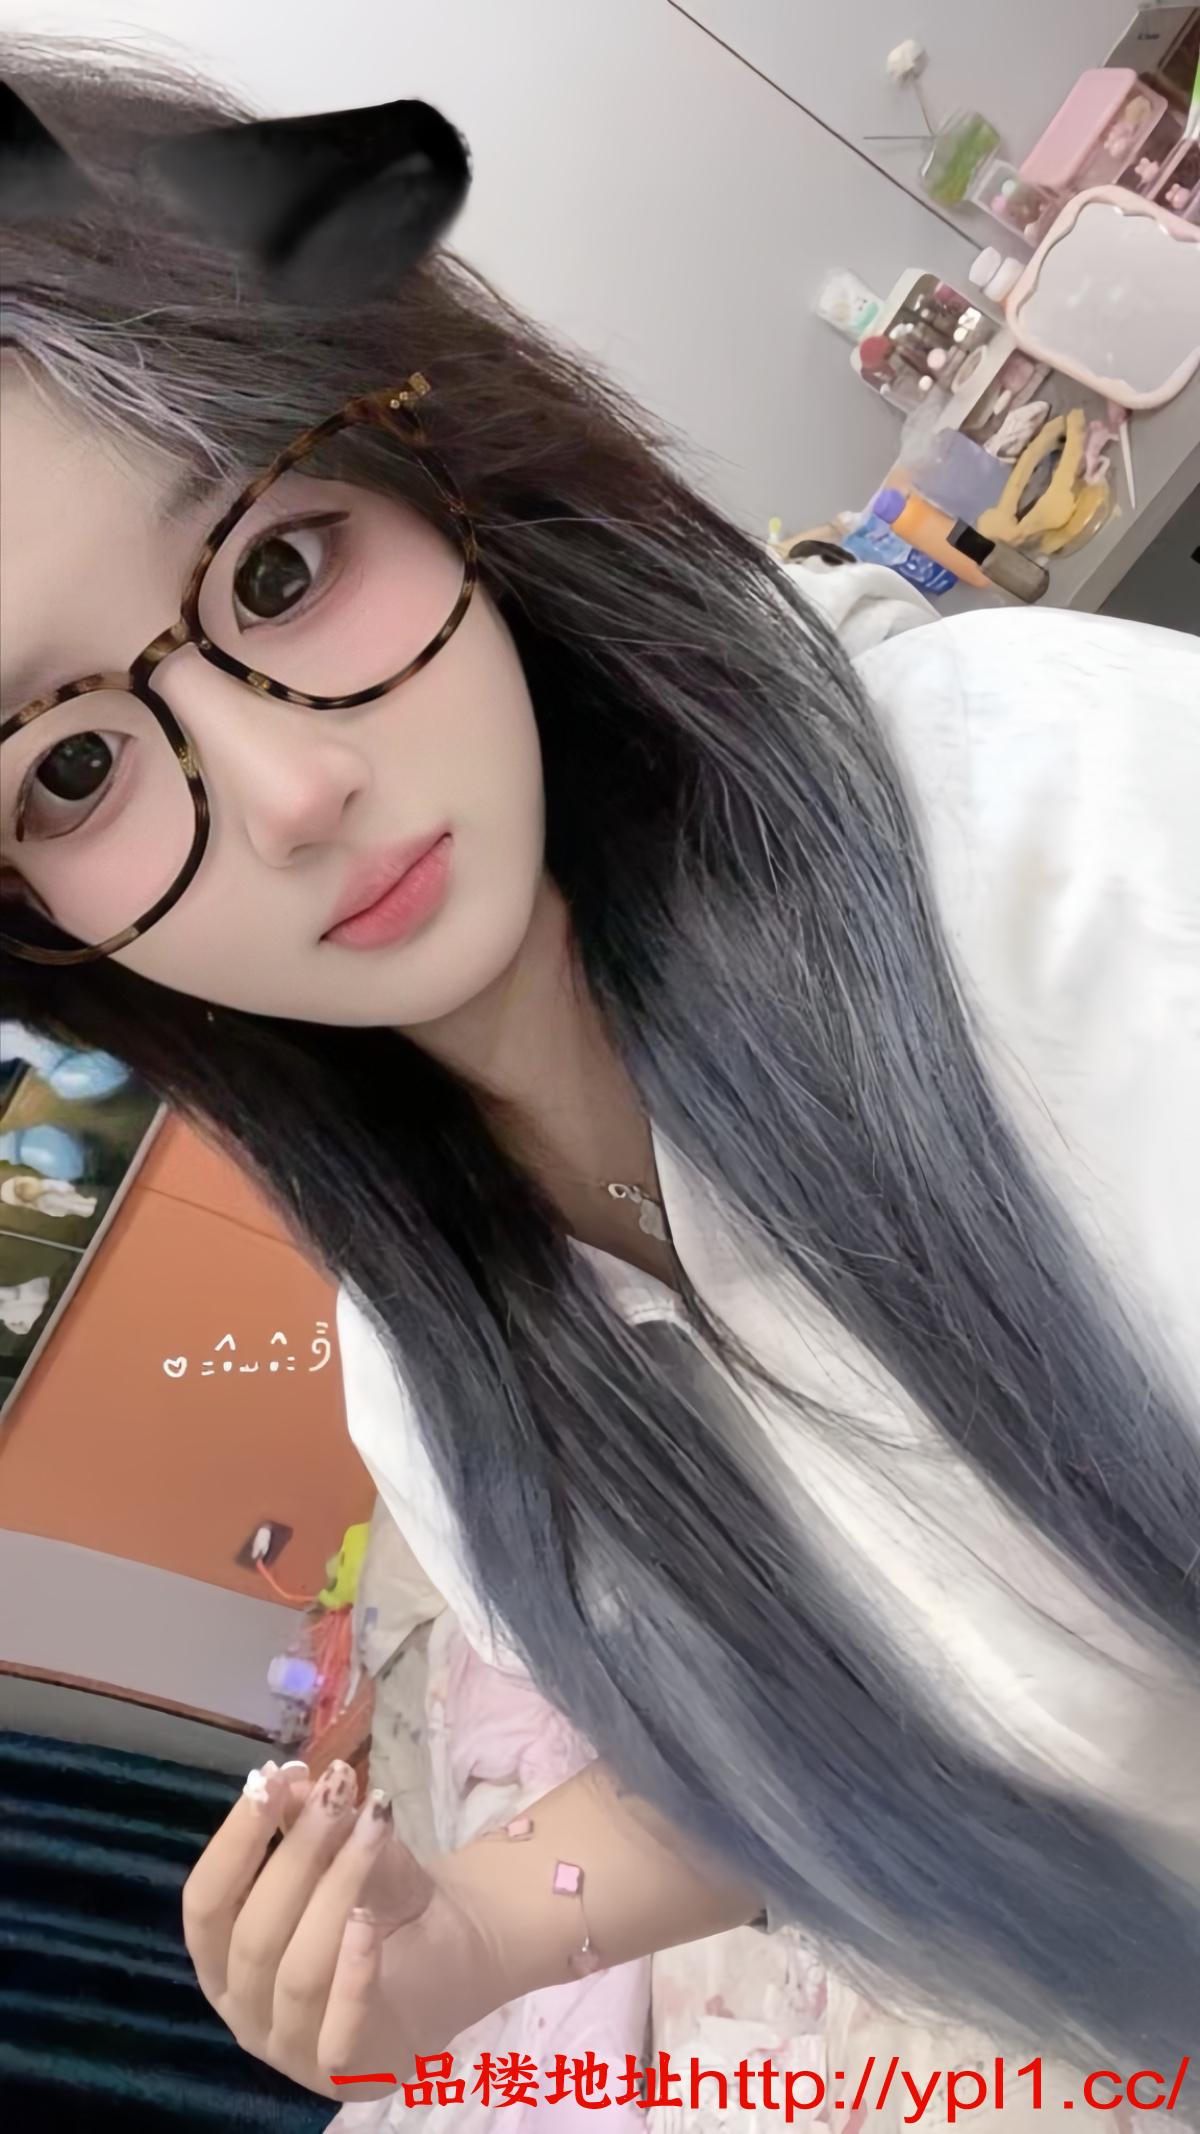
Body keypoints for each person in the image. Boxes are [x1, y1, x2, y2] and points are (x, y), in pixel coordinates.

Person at [2, 38, 1198, 2118]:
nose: (287, 792)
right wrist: (473, 1934)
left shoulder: (1070, 829)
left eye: (279, 568)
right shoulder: (430, 1392)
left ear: (435, 460)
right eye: (77, 766)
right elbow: (829, 1754)